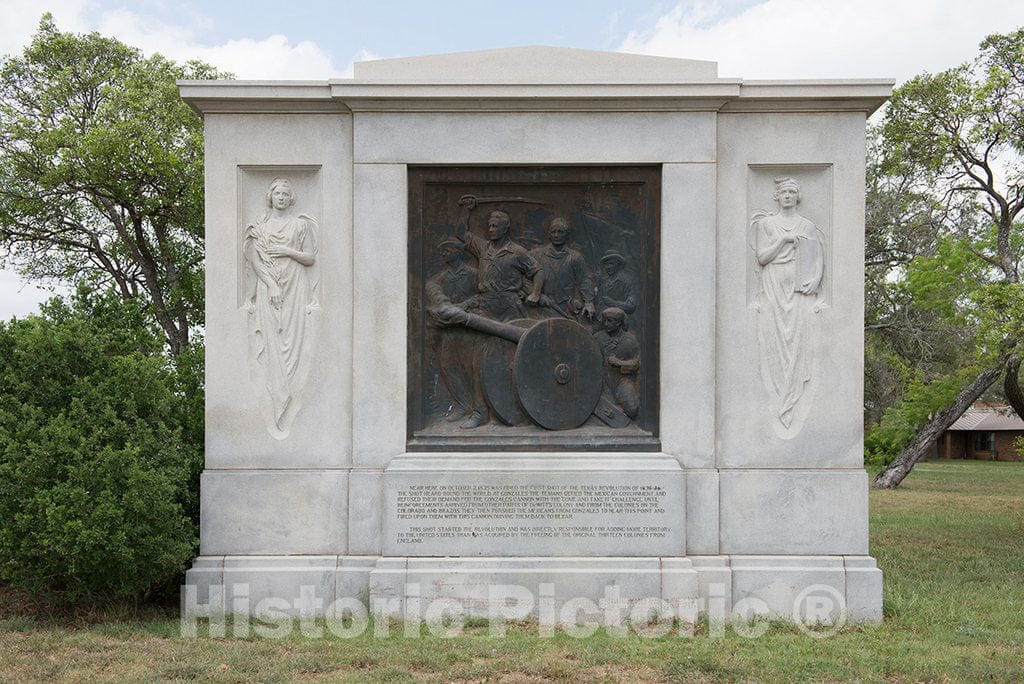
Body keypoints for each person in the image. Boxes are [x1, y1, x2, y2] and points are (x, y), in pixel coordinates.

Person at [243, 177, 318, 436]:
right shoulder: (259, 227)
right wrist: (271, 285)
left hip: (296, 286)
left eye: (287, 193)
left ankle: (289, 400)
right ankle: (276, 399)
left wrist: (287, 250)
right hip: (269, 288)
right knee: (273, 339)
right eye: (278, 193)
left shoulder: (300, 225)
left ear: (291, 198)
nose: (282, 197)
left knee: (293, 342)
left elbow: (309, 258)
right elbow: (255, 260)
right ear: (270, 196)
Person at [751, 176, 825, 428]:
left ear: (798, 196)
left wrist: (815, 280)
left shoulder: (807, 226)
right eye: (784, 191)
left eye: (792, 192)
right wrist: (783, 240)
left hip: (798, 284)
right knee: (774, 337)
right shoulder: (767, 224)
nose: (788, 196)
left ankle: (791, 399)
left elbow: (817, 257)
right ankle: (780, 396)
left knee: (798, 339)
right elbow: (762, 257)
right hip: (773, 283)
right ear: (777, 196)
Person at [425, 238, 484, 425]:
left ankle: (478, 409)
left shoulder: (474, 274)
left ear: (459, 252)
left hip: (472, 328)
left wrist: (464, 306)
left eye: (447, 251)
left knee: (472, 368)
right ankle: (461, 405)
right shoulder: (440, 279)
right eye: (442, 252)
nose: (444, 254)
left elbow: (483, 295)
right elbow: (438, 299)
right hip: (450, 329)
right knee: (448, 365)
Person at [455, 209, 539, 322]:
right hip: (485, 304)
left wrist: (535, 293)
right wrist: (466, 210)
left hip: (509, 307)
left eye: (494, 226)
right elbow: (461, 233)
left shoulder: (517, 251)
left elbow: (538, 270)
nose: (490, 230)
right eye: (489, 226)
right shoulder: (483, 247)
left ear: (505, 229)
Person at [526, 217, 595, 323]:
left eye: (560, 232)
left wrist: (589, 302)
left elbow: (584, 280)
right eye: (553, 232)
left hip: (566, 308)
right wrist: (536, 294)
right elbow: (522, 277)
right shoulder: (537, 254)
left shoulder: (575, 257)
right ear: (549, 234)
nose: (556, 235)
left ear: (567, 235)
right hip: (542, 307)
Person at [593, 307, 640, 419]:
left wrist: (619, 362)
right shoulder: (597, 338)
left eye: (610, 321)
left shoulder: (629, 340)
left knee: (633, 409)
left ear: (619, 323)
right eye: (604, 320)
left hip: (621, 379)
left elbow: (636, 363)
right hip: (602, 380)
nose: (606, 324)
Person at [595, 249, 637, 326]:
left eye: (611, 263)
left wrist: (613, 303)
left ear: (618, 265)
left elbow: (631, 306)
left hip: (617, 324)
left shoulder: (626, 282)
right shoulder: (602, 281)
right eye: (606, 264)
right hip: (599, 322)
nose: (608, 267)